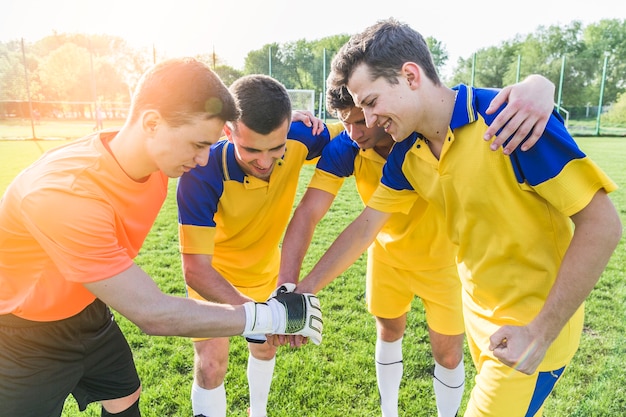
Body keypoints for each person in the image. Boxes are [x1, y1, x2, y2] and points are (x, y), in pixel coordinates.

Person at [295, 18, 622, 417]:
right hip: (481, 326)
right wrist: (305, 288)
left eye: (370, 102)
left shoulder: (510, 120)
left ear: (410, 76)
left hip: (530, 335)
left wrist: (539, 331)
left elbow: (602, 224)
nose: (368, 119)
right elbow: (366, 226)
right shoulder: (406, 154)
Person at [0, 58, 323, 417]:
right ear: (151, 123)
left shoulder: (150, 159)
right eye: (198, 145)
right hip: (20, 332)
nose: (204, 160)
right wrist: (271, 318)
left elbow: (184, 89)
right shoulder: (64, 195)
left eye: (211, 144)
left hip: (86, 308)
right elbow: (152, 313)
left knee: (124, 397)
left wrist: (278, 128)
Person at [277, 73, 555, 417]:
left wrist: (540, 84)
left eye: (360, 118)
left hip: (445, 264)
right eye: (344, 123)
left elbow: (464, 101)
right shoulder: (348, 147)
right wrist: (291, 287)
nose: (354, 132)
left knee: (448, 354)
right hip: (387, 259)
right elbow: (310, 213)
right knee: (389, 331)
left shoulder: (422, 135)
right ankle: (389, 412)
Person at [176, 74, 340, 417]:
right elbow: (195, 270)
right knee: (211, 365)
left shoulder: (300, 137)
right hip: (213, 280)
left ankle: (259, 412)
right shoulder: (202, 174)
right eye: (251, 149)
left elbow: (358, 132)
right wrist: (257, 315)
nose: (265, 161)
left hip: (266, 273)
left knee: (265, 350)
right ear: (227, 132)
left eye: (275, 148)